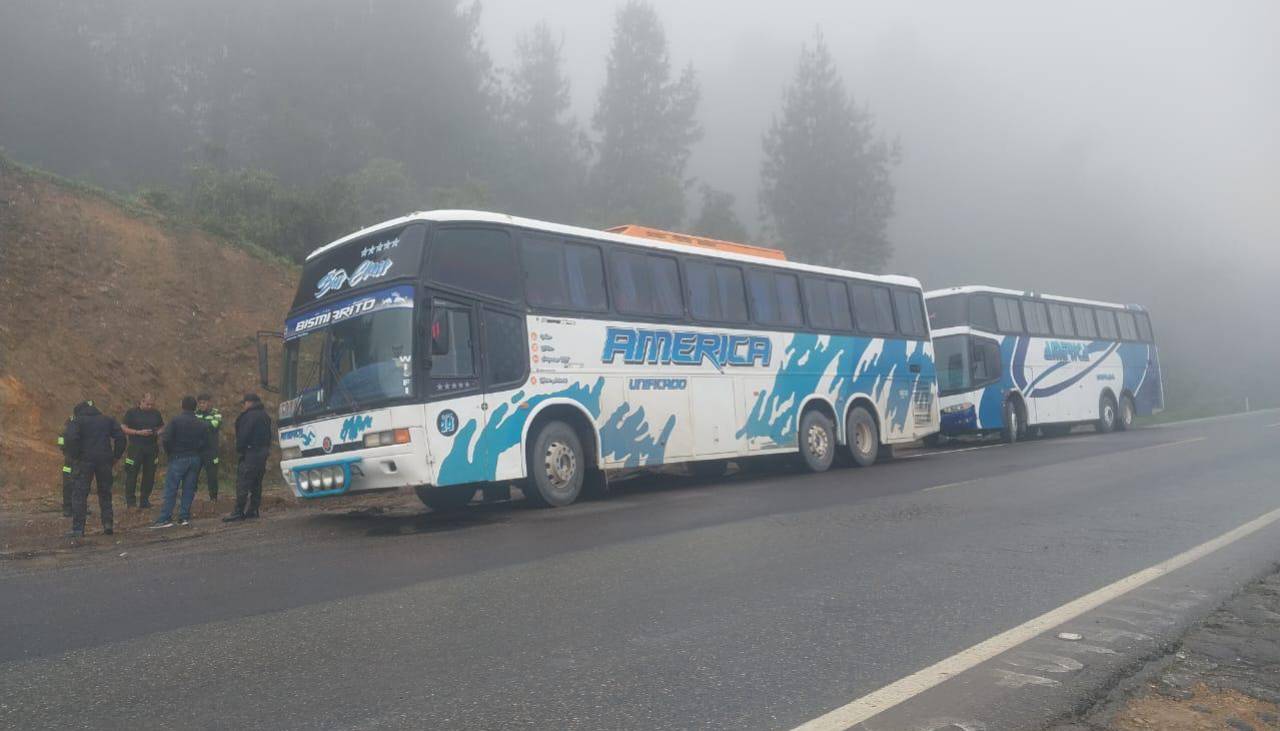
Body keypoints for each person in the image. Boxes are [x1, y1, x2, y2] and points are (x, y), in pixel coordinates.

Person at [62, 400, 126, 538]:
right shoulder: (108, 419)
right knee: (105, 493)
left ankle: (78, 529)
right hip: (104, 460)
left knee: (80, 494)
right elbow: (121, 437)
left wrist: (75, 456)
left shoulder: (77, 421)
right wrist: (116, 456)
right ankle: (108, 524)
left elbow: (71, 438)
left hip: (84, 461)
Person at [152, 396, 208, 529]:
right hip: (195, 458)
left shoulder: (175, 421)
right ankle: (184, 517)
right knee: (189, 489)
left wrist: (170, 453)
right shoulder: (200, 423)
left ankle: (165, 518)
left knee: (171, 488)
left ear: (182, 405)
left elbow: (166, 439)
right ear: (195, 407)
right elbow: (205, 441)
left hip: (177, 457)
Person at [224, 393, 273, 522]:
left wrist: (240, 449)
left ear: (249, 402)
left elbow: (243, 436)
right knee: (257, 483)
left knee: (243, 482)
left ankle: (238, 511)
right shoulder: (265, 415)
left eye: (244, 403)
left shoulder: (248, 416)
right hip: (262, 453)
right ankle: (253, 510)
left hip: (250, 452)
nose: (243, 406)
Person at [121, 393, 164, 508]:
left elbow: (162, 427)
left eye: (152, 404)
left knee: (149, 475)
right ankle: (130, 501)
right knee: (131, 474)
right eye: (147, 404)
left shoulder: (156, 413)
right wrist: (137, 432)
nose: (149, 406)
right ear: (141, 401)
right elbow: (123, 427)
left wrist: (156, 432)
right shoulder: (131, 413)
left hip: (151, 447)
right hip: (135, 447)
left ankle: (144, 500)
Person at [58, 402, 94, 518]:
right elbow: (61, 437)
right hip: (71, 457)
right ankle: (68, 508)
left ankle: (80, 507)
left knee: (82, 483)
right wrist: (65, 450)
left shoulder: (85, 421)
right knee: (69, 483)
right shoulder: (72, 420)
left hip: (81, 457)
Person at [194, 393, 222, 500]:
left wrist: (200, 424)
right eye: (200, 403)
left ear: (209, 403)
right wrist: (205, 424)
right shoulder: (195, 413)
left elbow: (214, 425)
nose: (202, 405)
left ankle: (213, 497)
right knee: (193, 475)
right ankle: (191, 496)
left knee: (212, 476)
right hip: (197, 450)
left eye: (204, 403)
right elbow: (193, 427)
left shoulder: (216, 413)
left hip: (211, 451)